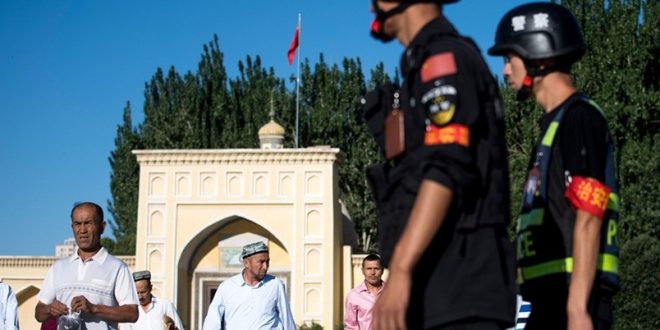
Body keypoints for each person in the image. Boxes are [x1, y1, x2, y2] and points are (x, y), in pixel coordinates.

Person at [362, 0, 516, 329]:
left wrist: (400, 269)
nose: (371, 8)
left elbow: (447, 166)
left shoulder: (443, 60)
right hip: (442, 288)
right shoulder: (426, 65)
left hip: (463, 287)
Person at [488, 3, 621, 329]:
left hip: (573, 301)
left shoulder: (579, 118)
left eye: (510, 59)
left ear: (539, 57)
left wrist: (577, 310)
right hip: (549, 299)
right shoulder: (552, 127)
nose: (505, 71)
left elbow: (589, 212)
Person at [35, 202, 139, 329]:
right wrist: (49, 309)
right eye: (78, 224)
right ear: (72, 227)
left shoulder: (117, 267)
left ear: (102, 227)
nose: (82, 230)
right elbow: (39, 313)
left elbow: (132, 313)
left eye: (88, 223)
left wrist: (94, 308)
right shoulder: (58, 267)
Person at [202, 241, 296, 330]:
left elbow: (286, 318)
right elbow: (212, 321)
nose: (265, 267)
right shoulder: (226, 287)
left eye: (267, 261)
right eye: (261, 262)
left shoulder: (275, 285)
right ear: (246, 263)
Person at [344, 254, 385, 330]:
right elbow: (350, 326)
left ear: (382, 270)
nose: (373, 272)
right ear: (363, 271)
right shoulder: (354, 296)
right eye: (369, 269)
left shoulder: (391, 293)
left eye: (376, 268)